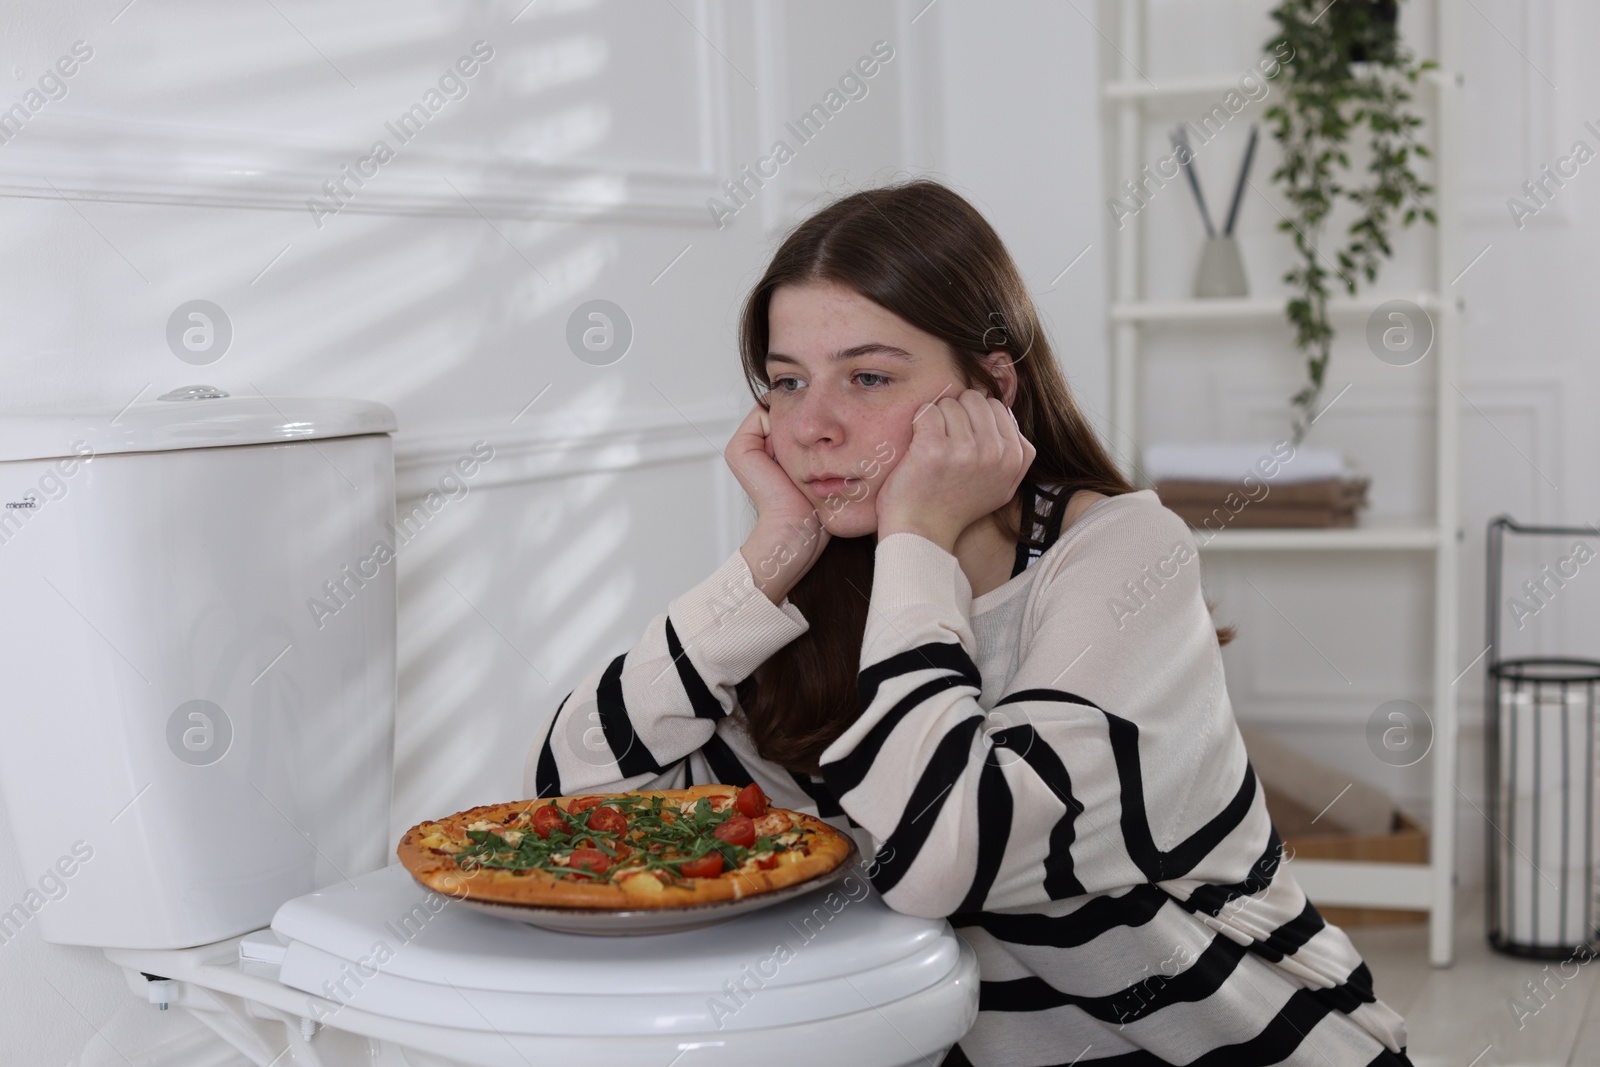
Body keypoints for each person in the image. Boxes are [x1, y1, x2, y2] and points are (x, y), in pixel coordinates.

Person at [527, 179, 1413, 1066]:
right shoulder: (814, 594)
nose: (812, 427)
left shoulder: (1128, 551)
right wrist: (770, 556)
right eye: (787, 382)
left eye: (868, 377)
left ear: (993, 389)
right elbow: (578, 799)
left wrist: (919, 532)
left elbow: (946, 855)